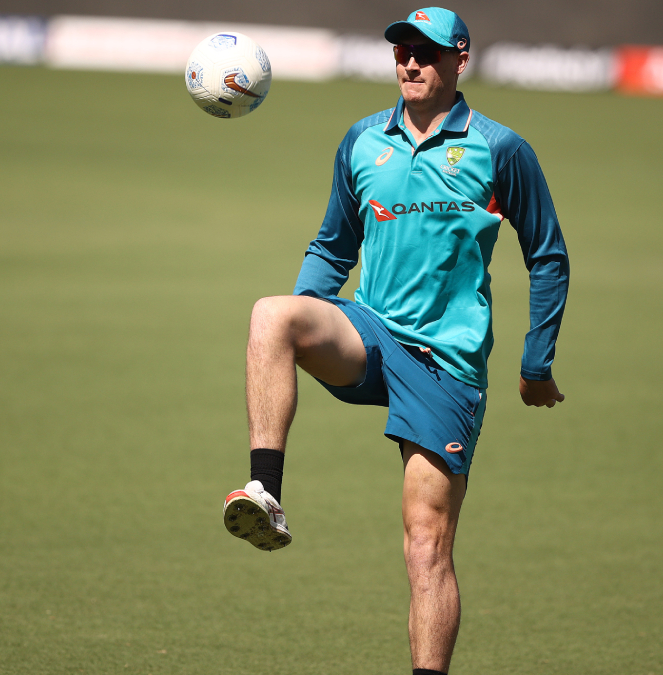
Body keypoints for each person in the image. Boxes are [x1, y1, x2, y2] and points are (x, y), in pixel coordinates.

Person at [221, 7, 569, 674]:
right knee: (274, 314)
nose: (411, 62)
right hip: (371, 333)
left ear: (460, 58)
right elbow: (332, 245)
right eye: (402, 51)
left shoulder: (500, 149)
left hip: (446, 365)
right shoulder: (361, 141)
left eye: (427, 52)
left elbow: (547, 254)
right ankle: (266, 491)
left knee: (425, 545)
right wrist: (311, 320)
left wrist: (537, 361)